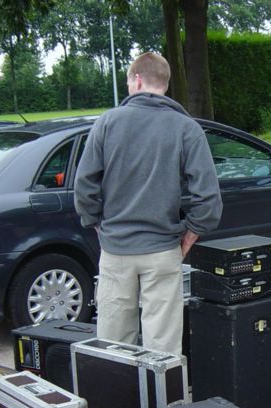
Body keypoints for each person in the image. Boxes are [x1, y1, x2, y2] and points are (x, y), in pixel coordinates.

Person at [74, 52, 222, 356]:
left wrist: (97, 224)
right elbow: (207, 196)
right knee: (163, 352)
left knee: (112, 348)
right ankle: (163, 404)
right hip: (163, 251)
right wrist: (191, 233)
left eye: (128, 81)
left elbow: (84, 185)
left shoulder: (107, 122)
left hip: (116, 250)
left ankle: (117, 403)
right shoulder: (186, 128)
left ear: (137, 79)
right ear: (165, 85)